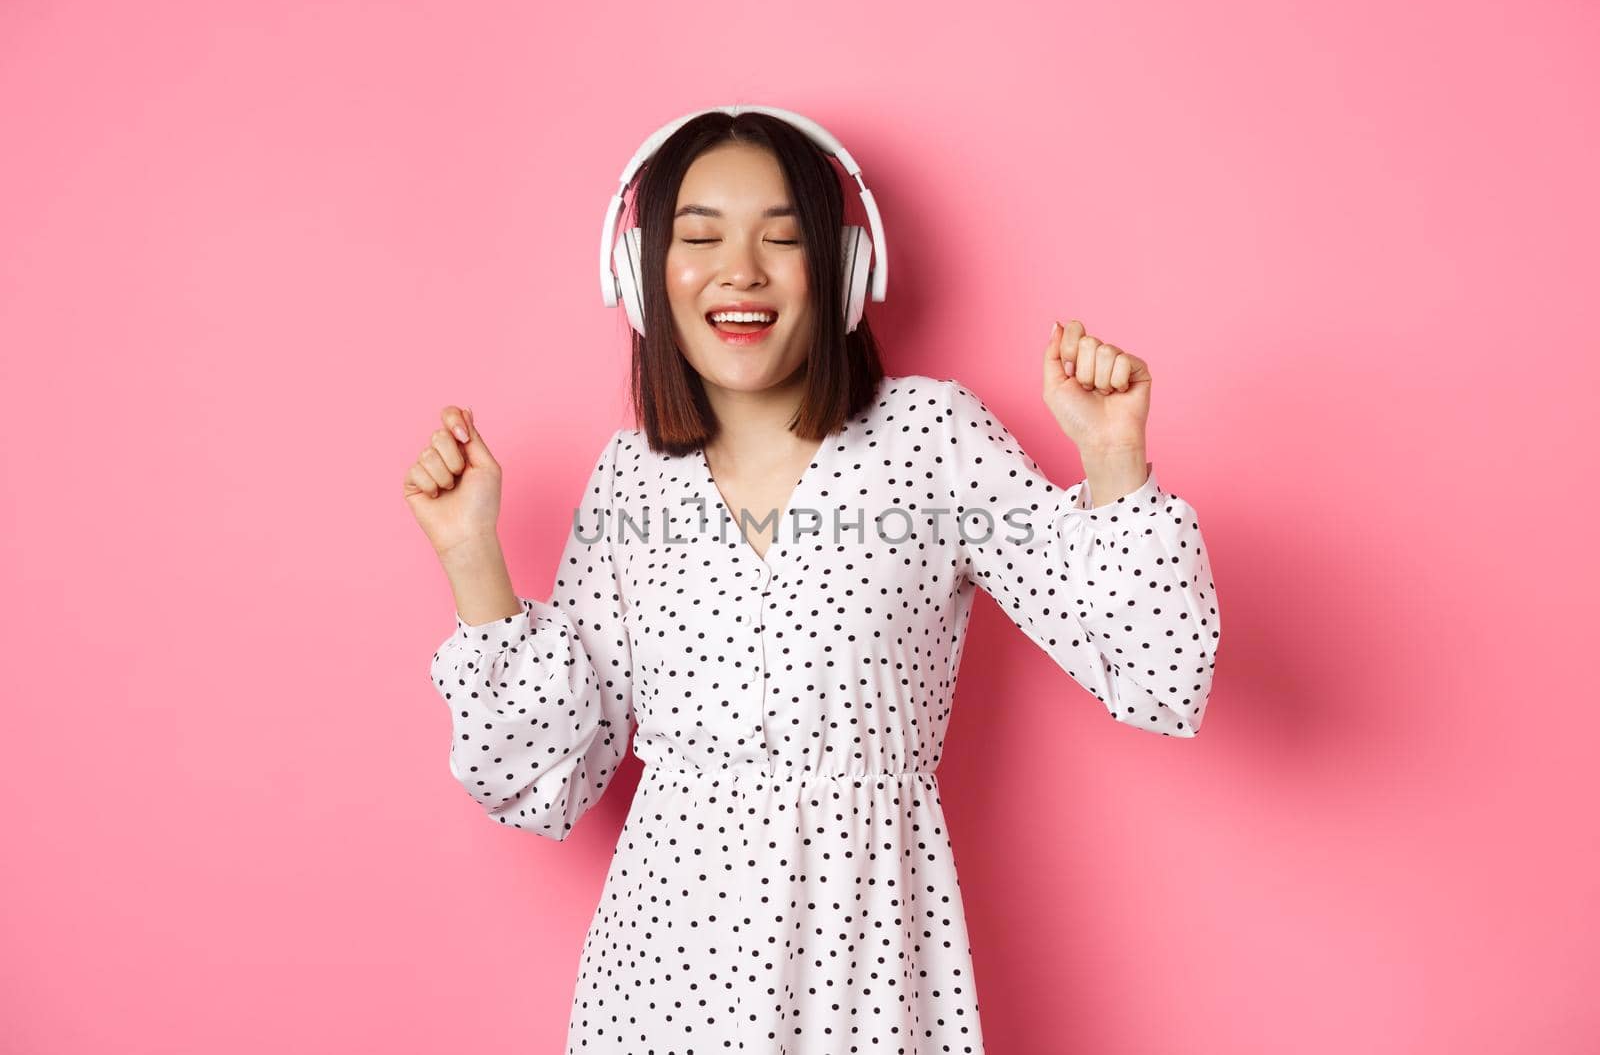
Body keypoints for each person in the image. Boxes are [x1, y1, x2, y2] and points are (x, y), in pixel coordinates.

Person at [402, 108, 1221, 1054]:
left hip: (865, 973)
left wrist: (1114, 455)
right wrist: (472, 555)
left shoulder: (931, 438)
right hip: (657, 986)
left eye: (781, 237)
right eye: (700, 237)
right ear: (640, 277)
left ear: (842, 271)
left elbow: (1160, 668)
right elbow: (546, 779)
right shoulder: (630, 478)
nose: (740, 270)